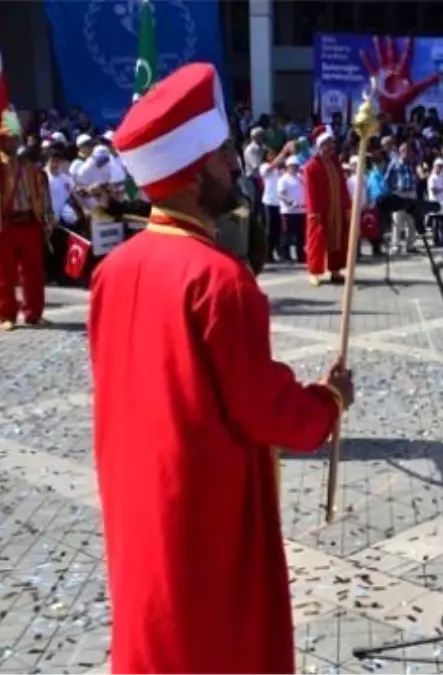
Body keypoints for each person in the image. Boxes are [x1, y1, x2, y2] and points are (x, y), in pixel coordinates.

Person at [92, 62, 355, 672]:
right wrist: (328, 401)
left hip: (135, 497)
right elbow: (262, 407)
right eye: (220, 154)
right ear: (190, 173)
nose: (234, 164)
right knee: (217, 643)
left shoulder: (114, 271)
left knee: (153, 635)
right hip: (202, 509)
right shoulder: (220, 280)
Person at [0, 130, 54, 331]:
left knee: (34, 272)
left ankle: (34, 314)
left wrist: (48, 221)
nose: (12, 143)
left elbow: (44, 196)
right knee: (5, 273)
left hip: (30, 223)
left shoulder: (35, 170)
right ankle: (6, 316)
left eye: (14, 139)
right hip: (6, 225)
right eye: (7, 140)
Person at [303, 130, 350, 285]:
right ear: (320, 146)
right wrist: (313, 211)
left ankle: (335, 270)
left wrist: (347, 206)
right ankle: (314, 272)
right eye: (327, 144)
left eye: (332, 144)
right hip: (320, 210)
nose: (331, 147)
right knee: (316, 241)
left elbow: (343, 187)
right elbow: (310, 191)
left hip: (336, 209)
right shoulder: (311, 166)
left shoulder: (335, 164)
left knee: (337, 240)